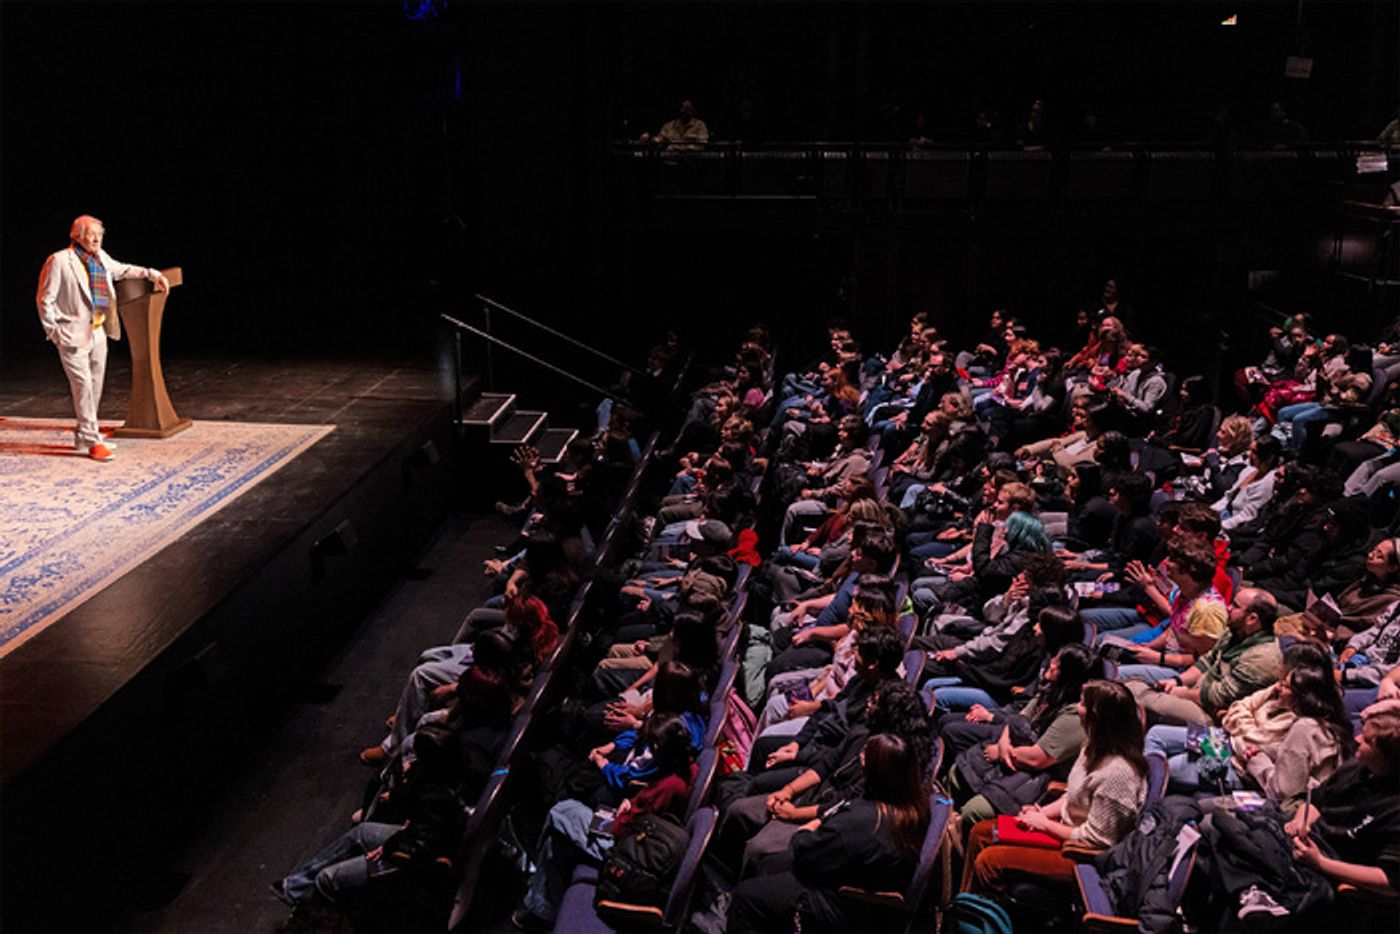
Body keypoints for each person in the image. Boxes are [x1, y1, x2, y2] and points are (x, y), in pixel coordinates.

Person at [726, 732, 931, 932]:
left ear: (873, 770)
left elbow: (806, 856)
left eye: (866, 753)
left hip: (843, 905)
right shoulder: (916, 807)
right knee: (769, 864)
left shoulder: (862, 819)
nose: (861, 753)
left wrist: (806, 830)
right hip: (868, 889)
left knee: (746, 897)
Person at [961, 680, 1148, 897]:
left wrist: (1044, 825)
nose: (1077, 708)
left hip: (1086, 856)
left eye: (1082, 704)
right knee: (980, 833)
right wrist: (1042, 812)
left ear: (1097, 717)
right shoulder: (1092, 745)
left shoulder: (1119, 773)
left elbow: (1098, 840)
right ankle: (965, 908)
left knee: (990, 861)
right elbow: (1072, 795)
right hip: (1067, 829)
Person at [36, 215, 169, 461]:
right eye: (91, 234)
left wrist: (152, 274)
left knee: (95, 386)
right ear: (77, 236)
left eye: (100, 234)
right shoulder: (59, 261)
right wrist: (54, 332)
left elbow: (121, 270)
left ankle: (84, 434)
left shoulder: (100, 257)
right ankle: (93, 441)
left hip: (98, 331)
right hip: (71, 335)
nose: (96, 238)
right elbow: (45, 300)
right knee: (83, 386)